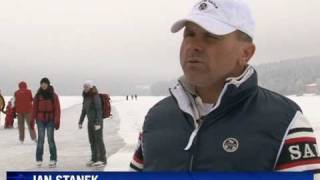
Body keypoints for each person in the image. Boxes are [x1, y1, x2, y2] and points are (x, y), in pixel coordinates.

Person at [130, 0, 320, 173]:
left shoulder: (285, 121)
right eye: (189, 34)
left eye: (211, 36)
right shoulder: (157, 117)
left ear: (246, 53)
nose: (193, 45)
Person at [32, 78, 61, 168]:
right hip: (40, 120)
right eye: (42, 84)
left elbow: (57, 109)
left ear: (48, 84)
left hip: (50, 120)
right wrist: (32, 119)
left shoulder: (53, 95)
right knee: (40, 140)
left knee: (50, 139)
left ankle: (53, 159)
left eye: (45, 83)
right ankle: (39, 159)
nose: (43, 85)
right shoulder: (38, 95)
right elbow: (34, 108)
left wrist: (57, 120)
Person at [78, 81, 107, 167]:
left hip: (97, 122)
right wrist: (80, 121)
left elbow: (99, 110)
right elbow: (84, 110)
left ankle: (102, 159)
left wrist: (98, 123)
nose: (85, 88)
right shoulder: (86, 97)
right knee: (92, 141)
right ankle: (94, 158)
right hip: (90, 122)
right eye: (84, 87)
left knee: (99, 140)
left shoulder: (95, 96)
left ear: (90, 87)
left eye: (87, 86)